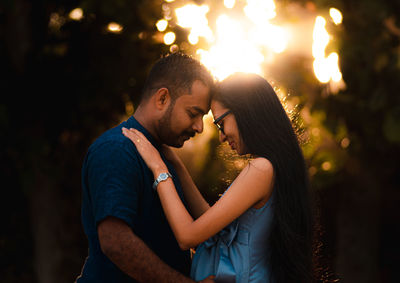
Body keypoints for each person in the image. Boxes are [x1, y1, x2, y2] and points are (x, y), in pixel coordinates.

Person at [122, 72, 313, 282]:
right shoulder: (271, 167)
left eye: (221, 123)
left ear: (245, 111)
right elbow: (214, 228)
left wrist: (159, 168)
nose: (221, 136)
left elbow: (188, 236)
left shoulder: (261, 169)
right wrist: (174, 162)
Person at [76, 53, 216, 282]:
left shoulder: (162, 156)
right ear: (162, 99)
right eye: (193, 113)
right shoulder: (117, 149)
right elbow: (116, 242)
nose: (200, 127)